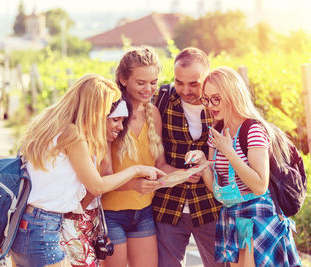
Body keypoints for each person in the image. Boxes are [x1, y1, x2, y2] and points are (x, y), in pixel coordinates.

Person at [9, 74, 165, 267]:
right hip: (45, 227)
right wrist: (136, 169)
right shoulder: (73, 135)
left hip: (27, 224)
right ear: (95, 107)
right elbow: (97, 185)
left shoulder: (47, 127)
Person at [185, 66, 301, 266]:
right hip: (232, 214)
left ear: (232, 95)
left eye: (216, 98)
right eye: (206, 99)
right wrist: (203, 164)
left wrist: (229, 151)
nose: (210, 105)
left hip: (258, 216)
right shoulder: (217, 131)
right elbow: (217, 189)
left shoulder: (253, 130)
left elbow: (259, 185)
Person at [101, 46, 177, 267]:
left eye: (153, 82)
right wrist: (133, 184)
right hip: (110, 213)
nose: (149, 89)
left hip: (143, 212)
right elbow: (102, 177)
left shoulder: (153, 114)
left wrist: (188, 174)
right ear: (123, 79)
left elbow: (160, 164)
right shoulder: (110, 115)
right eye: (141, 82)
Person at [152, 47, 225, 267]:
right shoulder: (161, 99)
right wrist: (181, 173)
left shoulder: (220, 105)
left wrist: (205, 168)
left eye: (193, 84)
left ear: (207, 77)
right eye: (179, 82)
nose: (185, 90)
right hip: (168, 205)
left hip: (211, 205)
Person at [60, 98, 130, 267]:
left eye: (122, 121)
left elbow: (106, 176)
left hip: (89, 221)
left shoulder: (101, 144)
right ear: (99, 117)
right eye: (115, 120)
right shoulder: (79, 142)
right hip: (74, 221)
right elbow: (96, 187)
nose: (120, 127)